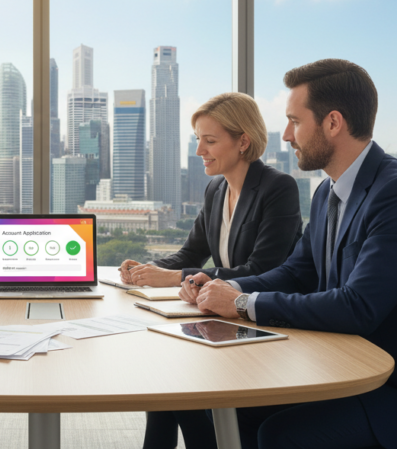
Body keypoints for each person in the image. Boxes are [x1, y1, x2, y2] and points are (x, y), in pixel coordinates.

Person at [179, 59, 397, 449]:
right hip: (347, 366)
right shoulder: (328, 192)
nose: (286, 135)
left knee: (278, 434)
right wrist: (223, 285)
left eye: (294, 121)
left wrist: (240, 302)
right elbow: (296, 272)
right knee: (216, 405)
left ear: (333, 123)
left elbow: (358, 307)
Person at [118, 93, 303, 449]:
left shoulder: (278, 187)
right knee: (164, 381)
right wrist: (147, 269)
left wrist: (176, 278)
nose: (200, 149)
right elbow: (191, 253)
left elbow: (263, 268)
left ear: (243, 141)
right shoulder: (216, 188)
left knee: (180, 391)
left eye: (210, 140)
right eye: (198, 139)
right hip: (221, 319)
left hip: (261, 321)